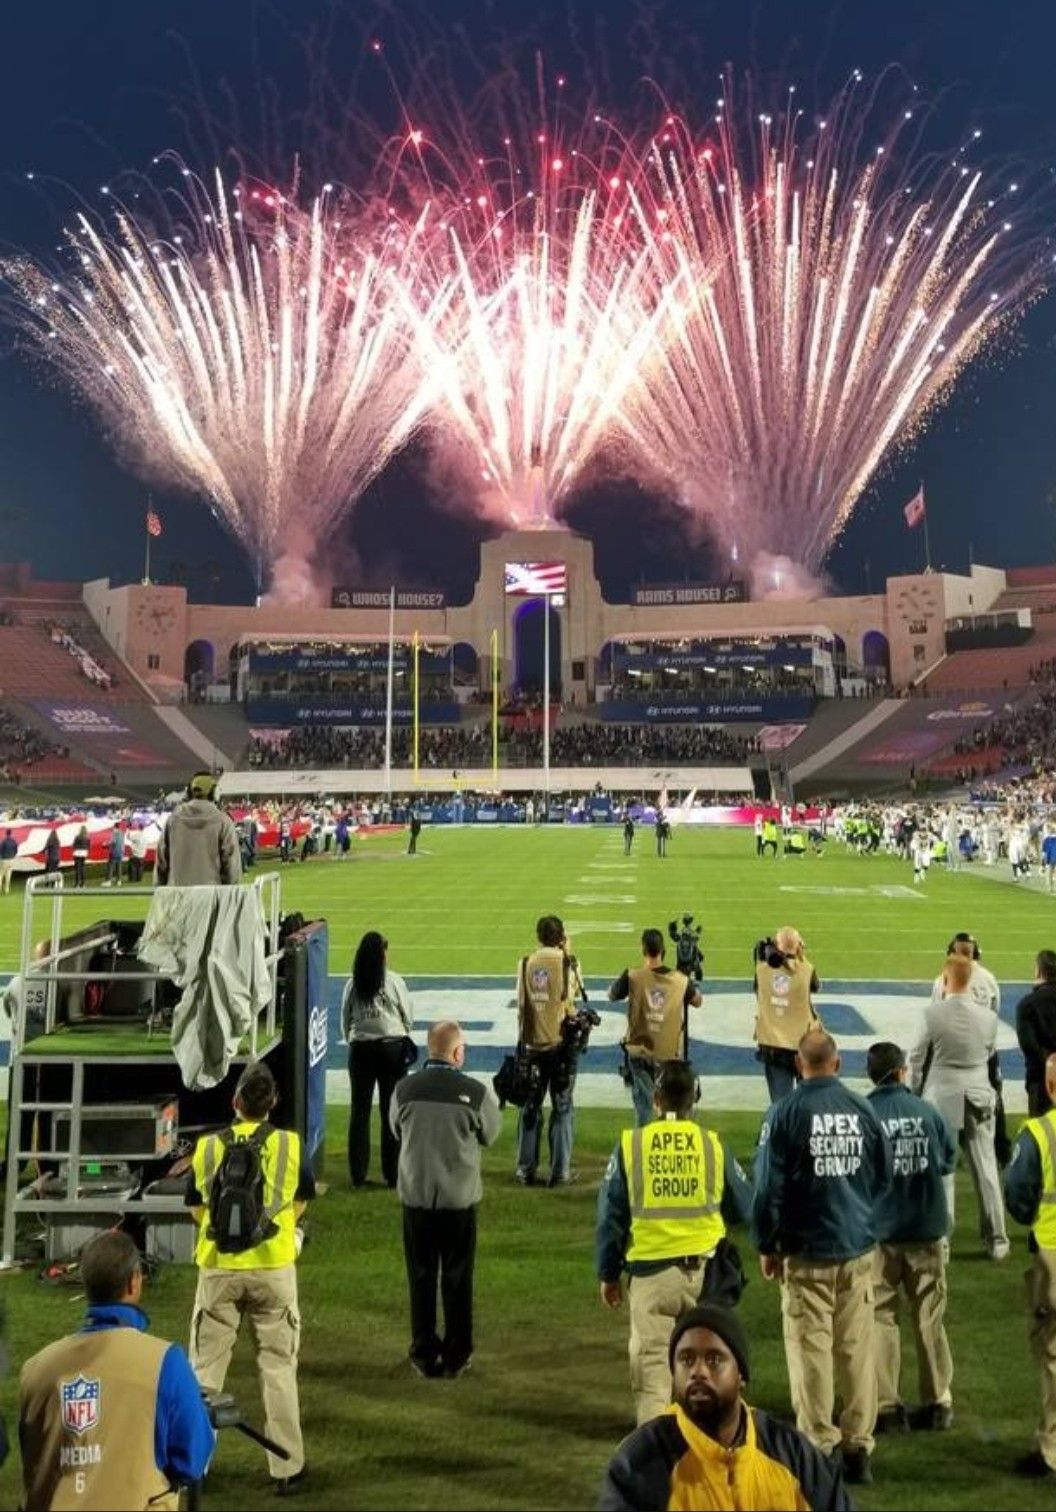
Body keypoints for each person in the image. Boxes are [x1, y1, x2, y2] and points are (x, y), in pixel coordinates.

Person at [751, 1029, 890, 1484]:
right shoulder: (862, 1108)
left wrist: (767, 1244)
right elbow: (882, 1176)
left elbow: (767, 1189)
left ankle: (820, 1448)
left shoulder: (786, 1111)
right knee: (856, 1350)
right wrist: (860, 1218)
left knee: (810, 1349)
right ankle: (859, 1449)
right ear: (837, 1063)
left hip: (806, 1251)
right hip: (856, 1247)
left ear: (798, 1065)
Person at [595, 1060, 753, 1424]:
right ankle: (711, 1461)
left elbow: (610, 1218)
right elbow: (746, 1205)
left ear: (655, 1098)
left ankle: (655, 1466)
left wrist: (608, 1274)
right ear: (694, 1098)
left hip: (651, 1278)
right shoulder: (712, 1145)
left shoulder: (632, 1145)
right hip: (707, 1277)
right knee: (709, 1380)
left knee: (654, 1382)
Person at [186, 1062, 314, 1496]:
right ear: (273, 1103)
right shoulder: (290, 1145)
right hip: (273, 1270)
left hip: (218, 1271)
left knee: (204, 1374)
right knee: (278, 1369)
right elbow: (300, 1202)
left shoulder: (206, 1148)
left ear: (234, 1101)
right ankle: (286, 1468)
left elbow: (195, 1208)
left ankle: (193, 1466)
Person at [18, 1229, 214, 1511]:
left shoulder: (35, 1369)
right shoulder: (165, 1362)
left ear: (86, 1285)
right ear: (134, 1282)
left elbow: (32, 1460)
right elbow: (192, 1461)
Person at [597, 1305, 852, 1512]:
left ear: (741, 1374)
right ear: (673, 1374)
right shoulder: (640, 1462)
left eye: (714, 1359)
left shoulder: (791, 1454)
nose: (698, 1372)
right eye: (686, 1360)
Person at [390, 1020, 502, 1378]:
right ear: (456, 1052)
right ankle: (457, 1354)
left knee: (420, 1278)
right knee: (458, 1278)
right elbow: (492, 1134)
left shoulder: (404, 1089)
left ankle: (423, 1352)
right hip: (459, 1204)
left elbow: (395, 1130)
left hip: (417, 1202)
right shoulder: (475, 1091)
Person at [866, 1041, 957, 1434]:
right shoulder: (926, 1111)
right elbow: (947, 1160)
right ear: (903, 1071)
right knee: (929, 1317)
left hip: (882, 1234)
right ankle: (937, 1401)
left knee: (881, 1317)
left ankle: (887, 1405)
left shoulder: (864, 1114)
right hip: (926, 1230)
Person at [908, 952, 1009, 1261]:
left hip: (941, 1097)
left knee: (943, 1171)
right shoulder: (989, 1018)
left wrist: (914, 1094)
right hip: (979, 1094)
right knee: (986, 1167)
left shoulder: (932, 1014)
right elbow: (988, 1053)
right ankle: (997, 1240)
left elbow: (915, 1058)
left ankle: (943, 1241)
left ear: (946, 978)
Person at [1005, 1051, 1056, 1480]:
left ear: (1051, 1087)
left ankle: (1052, 1451)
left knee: (1053, 1354)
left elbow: (1018, 1194)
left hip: (1052, 1254)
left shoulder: (1040, 1132)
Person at [342, 930, 415, 1189]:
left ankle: (358, 1175)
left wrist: (357, 1037)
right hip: (392, 1049)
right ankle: (393, 1174)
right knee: (391, 1112)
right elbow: (408, 1016)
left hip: (361, 1049)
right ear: (383, 954)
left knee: (359, 1113)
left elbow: (345, 1019)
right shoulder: (394, 981)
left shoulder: (354, 983)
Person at [608, 930, 702, 1126]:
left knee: (643, 1108)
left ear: (643, 950)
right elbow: (697, 1000)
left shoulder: (633, 976)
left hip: (639, 1054)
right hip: (669, 1055)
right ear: (664, 951)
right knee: (671, 1106)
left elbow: (612, 994)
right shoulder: (680, 980)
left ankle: (642, 1150)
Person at [513, 914, 578, 1186]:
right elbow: (571, 1005)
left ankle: (525, 1169)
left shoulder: (526, 963)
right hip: (560, 1047)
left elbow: (520, 1005)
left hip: (531, 1046)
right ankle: (560, 1171)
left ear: (538, 937)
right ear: (561, 937)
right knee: (562, 1108)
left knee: (529, 1107)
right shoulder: (568, 963)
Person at [753, 927, 821, 1103]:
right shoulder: (807, 970)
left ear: (775, 945)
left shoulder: (761, 970)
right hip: (803, 1045)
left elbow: (758, 990)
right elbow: (815, 987)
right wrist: (801, 956)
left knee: (780, 1103)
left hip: (772, 1045)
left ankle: (783, 1129)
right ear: (799, 947)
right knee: (808, 1100)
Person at [154, 773, 241, 886]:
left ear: (189, 792)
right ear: (215, 793)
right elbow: (231, 866)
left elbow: (161, 862)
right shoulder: (223, 821)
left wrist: (160, 889)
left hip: (177, 896)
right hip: (210, 895)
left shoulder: (172, 820)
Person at [1016, 951, 1056, 1116]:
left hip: (1040, 1080)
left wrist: (1050, 1064)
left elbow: (1029, 1046)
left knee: (1043, 1133)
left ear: (1039, 971)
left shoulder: (1027, 1004)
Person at [0, 827, 17, 894]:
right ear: (11, 833)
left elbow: (0, 850)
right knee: (8, 875)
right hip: (11, 859)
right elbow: (16, 850)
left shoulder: (3, 841)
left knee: (1, 874)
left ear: (6, 833)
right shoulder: (14, 841)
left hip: (4, 859)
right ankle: (7, 890)